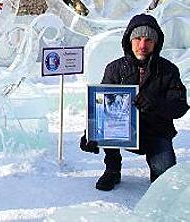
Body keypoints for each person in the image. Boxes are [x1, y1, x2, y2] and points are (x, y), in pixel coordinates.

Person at [80, 14, 189, 191]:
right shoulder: (114, 69)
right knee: (110, 127)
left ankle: (158, 170)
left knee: (164, 179)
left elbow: (180, 106)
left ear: (156, 43)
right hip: (122, 132)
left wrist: (156, 103)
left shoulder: (168, 70)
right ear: (129, 40)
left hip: (156, 132)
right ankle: (112, 169)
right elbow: (101, 106)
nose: (142, 45)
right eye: (137, 38)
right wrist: (91, 134)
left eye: (148, 40)